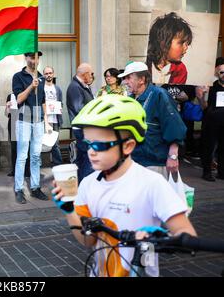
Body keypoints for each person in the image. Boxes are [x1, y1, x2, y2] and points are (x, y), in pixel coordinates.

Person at [52, 94, 197, 277]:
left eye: (99, 145)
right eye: (88, 144)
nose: (90, 152)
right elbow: (88, 241)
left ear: (128, 146)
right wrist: (69, 211)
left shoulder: (151, 183)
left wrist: (163, 239)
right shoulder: (88, 184)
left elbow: (187, 234)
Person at [119, 61, 186, 178]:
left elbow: (174, 126)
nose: (125, 82)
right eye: (124, 78)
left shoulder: (159, 95)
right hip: (134, 161)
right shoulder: (130, 99)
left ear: (141, 79)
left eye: (128, 78)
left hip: (154, 163)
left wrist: (173, 156)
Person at [12, 51, 51, 204]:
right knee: (22, 157)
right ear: (26, 58)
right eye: (32, 57)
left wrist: (46, 121)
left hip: (38, 121)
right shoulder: (18, 76)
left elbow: (43, 101)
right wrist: (30, 86)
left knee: (36, 156)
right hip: (24, 121)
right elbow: (19, 99)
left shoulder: (41, 76)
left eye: (37, 57)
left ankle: (35, 188)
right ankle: (18, 189)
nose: (35, 60)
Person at [66, 63, 95, 183]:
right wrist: (96, 109)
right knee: (87, 159)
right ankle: (84, 187)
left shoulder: (82, 86)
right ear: (85, 74)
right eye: (91, 73)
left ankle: (81, 187)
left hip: (85, 129)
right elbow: (80, 109)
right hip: (83, 129)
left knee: (83, 159)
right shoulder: (74, 87)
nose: (92, 76)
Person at [146, 12, 193, 85]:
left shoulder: (181, 70)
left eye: (187, 44)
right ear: (163, 42)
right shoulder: (145, 66)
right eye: (182, 43)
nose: (186, 48)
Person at [197, 58, 224, 181]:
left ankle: (222, 172)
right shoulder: (212, 87)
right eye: (221, 72)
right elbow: (204, 106)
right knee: (209, 147)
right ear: (217, 73)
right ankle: (207, 172)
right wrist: (202, 97)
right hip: (211, 121)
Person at [5, 93, 30, 177]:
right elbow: (7, 114)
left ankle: (27, 171)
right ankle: (15, 170)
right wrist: (8, 107)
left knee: (26, 147)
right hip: (12, 123)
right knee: (14, 148)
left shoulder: (27, 94)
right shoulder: (10, 96)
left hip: (25, 122)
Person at [43, 66, 63, 166]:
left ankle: (58, 164)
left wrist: (60, 108)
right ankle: (41, 164)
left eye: (50, 73)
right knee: (43, 142)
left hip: (55, 119)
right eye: (46, 73)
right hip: (44, 120)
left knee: (55, 143)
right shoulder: (41, 88)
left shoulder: (58, 89)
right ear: (43, 75)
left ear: (53, 74)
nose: (48, 75)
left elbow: (61, 103)